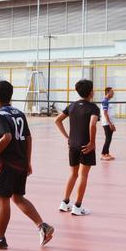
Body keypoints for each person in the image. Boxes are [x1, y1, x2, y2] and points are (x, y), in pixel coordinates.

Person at [0, 80, 54, 249]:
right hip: (21, 162)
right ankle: (43, 226)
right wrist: (28, 162)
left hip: (7, 164)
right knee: (18, 197)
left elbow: (6, 138)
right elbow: (28, 138)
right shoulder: (19, 113)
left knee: (2, 201)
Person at [54, 79, 100, 216]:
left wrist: (67, 137)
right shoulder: (93, 108)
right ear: (91, 92)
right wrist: (92, 142)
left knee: (73, 173)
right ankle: (77, 206)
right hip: (86, 145)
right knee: (83, 175)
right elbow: (92, 124)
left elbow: (57, 120)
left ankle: (65, 202)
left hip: (72, 144)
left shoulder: (72, 106)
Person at [100, 87, 116, 161]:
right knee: (108, 138)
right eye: (111, 92)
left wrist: (112, 124)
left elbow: (109, 113)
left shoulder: (108, 101)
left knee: (109, 139)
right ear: (107, 93)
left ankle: (106, 153)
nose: (113, 93)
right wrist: (110, 124)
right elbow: (105, 113)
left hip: (109, 122)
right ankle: (103, 154)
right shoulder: (105, 101)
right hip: (106, 123)